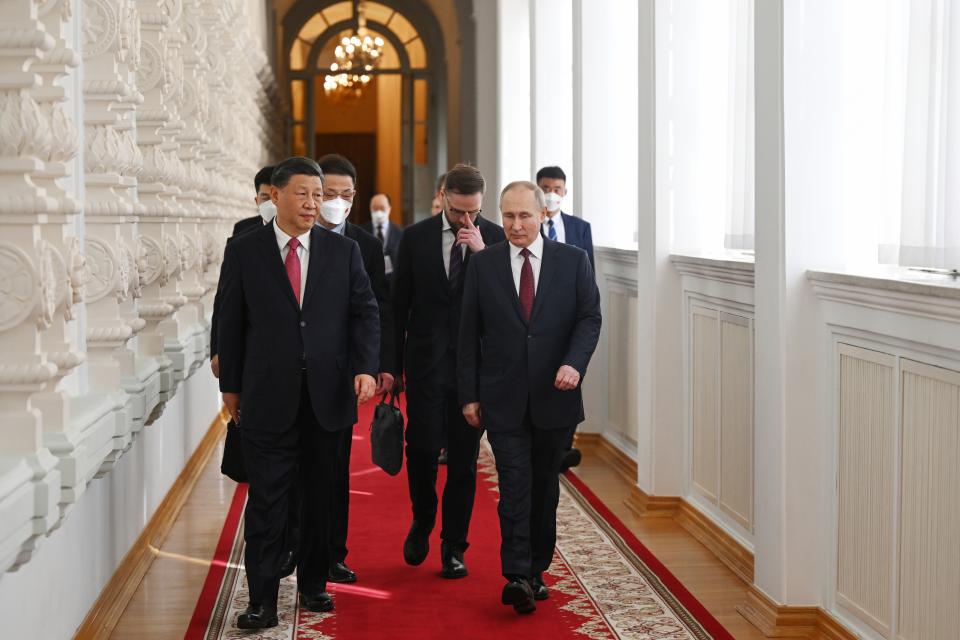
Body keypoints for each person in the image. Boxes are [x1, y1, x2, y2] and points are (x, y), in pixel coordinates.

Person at [217, 156, 379, 629]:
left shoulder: (342, 252)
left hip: (327, 396)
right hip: (266, 395)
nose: (314, 203)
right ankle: (262, 599)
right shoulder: (246, 250)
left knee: (320, 496)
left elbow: (365, 311)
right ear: (277, 195)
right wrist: (231, 387)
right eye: (304, 193)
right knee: (267, 499)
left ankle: (312, 585)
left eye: (319, 194)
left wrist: (367, 366)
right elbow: (231, 320)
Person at [458, 181, 601, 614]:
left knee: (544, 488)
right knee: (515, 486)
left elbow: (589, 318)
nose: (515, 225)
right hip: (502, 398)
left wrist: (575, 364)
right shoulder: (484, 265)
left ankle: (537, 569)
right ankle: (517, 574)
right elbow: (468, 335)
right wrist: (469, 395)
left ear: (542, 215)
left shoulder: (573, 261)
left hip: (555, 398)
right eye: (507, 216)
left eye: (523, 216)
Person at [393, 163, 504, 578]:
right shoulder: (416, 237)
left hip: (473, 370)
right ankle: (423, 519)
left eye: (474, 211)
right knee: (421, 450)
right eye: (459, 212)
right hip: (425, 364)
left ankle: (454, 546)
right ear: (444, 197)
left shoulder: (493, 239)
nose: (466, 220)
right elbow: (398, 304)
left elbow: (506, 306)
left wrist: (482, 254)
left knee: (463, 460)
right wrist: (391, 366)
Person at [535, 165, 596, 470]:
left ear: (565, 192)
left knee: (570, 377)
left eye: (557, 189)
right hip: (539, 319)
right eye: (545, 188)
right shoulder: (530, 227)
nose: (551, 194)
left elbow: (589, 276)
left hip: (571, 317)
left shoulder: (580, 228)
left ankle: (563, 446)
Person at [211, 165, 275, 379]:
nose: (271, 203)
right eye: (265, 197)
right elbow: (224, 300)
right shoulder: (242, 234)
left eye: (275, 196)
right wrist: (218, 350)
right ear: (256, 200)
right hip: (250, 347)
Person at [362, 193, 403, 290]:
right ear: (370, 209)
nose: (378, 212)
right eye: (375, 208)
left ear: (389, 209)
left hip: (392, 289)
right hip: (368, 287)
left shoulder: (401, 234)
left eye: (382, 208)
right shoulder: (361, 232)